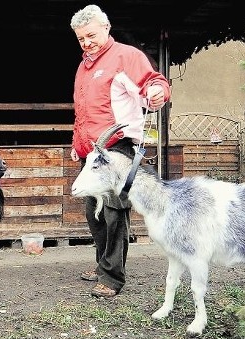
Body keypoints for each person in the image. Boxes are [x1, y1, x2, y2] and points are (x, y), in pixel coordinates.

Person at [69, 5, 170, 298]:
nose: (86, 42)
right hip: (92, 153)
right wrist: (77, 145)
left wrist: (157, 92)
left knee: (114, 212)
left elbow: (155, 82)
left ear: (106, 28)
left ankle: (113, 278)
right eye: (80, 38)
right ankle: (103, 264)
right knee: (93, 212)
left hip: (119, 147)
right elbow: (82, 113)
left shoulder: (126, 56)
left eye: (91, 35)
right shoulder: (83, 67)